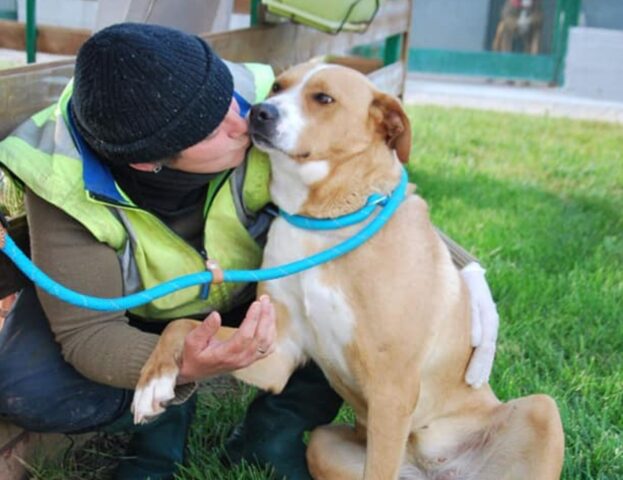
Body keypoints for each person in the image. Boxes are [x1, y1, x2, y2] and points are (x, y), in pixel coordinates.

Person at [0, 23, 498, 480]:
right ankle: (157, 432)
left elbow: (373, 188)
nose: (245, 120)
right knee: (31, 384)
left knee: (339, 302)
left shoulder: (269, 99)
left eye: (230, 101)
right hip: (148, 310)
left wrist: (462, 264)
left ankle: (270, 435)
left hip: (254, 296)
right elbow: (87, 333)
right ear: (150, 162)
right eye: (212, 128)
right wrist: (182, 361)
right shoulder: (60, 175)